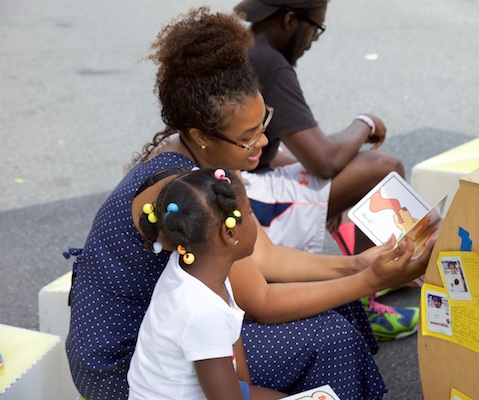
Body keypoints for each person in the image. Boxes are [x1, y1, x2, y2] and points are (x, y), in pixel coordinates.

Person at [64, 7, 432, 400]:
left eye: (264, 124)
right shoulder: (191, 192)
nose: (262, 143)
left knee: (333, 303)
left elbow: (265, 257)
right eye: (247, 135)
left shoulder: (212, 160)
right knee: (331, 338)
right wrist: (370, 280)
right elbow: (262, 301)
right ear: (200, 134)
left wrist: (359, 264)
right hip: (127, 365)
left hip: (173, 330)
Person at [233, 0, 418, 341]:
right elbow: (325, 160)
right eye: (315, 28)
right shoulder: (270, 63)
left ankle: (372, 263)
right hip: (246, 199)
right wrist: (366, 123)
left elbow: (279, 153)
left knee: (333, 171)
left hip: (243, 181)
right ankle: (365, 298)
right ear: (290, 20)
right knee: (383, 168)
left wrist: (327, 191)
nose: (314, 39)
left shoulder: (246, 46)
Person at [128, 168, 283, 400]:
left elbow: (240, 383)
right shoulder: (202, 311)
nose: (254, 220)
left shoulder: (197, 270)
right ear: (229, 233)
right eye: (250, 213)